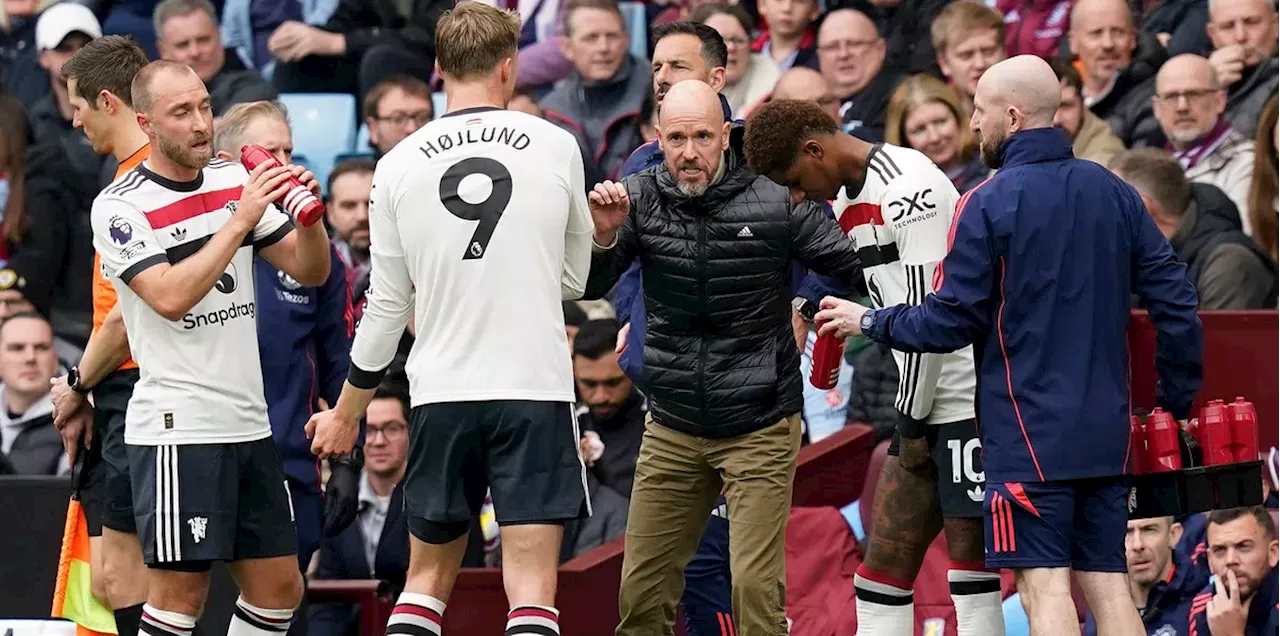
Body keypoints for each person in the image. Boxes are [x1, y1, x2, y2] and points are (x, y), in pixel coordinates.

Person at [804, 55, 1203, 636]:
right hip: (1106, 429)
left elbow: (948, 323)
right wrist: (1176, 397)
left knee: (1045, 591)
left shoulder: (984, 202)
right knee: (1110, 586)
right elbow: (1177, 304)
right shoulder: (1113, 190)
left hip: (1026, 436)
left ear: (1012, 117)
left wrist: (873, 323)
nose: (972, 124)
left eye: (980, 111)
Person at [304, 4, 594, 635]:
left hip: (441, 394)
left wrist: (349, 411)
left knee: (426, 581)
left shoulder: (397, 163)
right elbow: (573, 281)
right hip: (533, 392)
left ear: (437, 69)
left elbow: (385, 304)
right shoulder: (556, 144)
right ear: (510, 65)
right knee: (531, 589)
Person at [584, 79, 862, 636]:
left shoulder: (774, 192)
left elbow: (847, 260)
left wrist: (805, 306)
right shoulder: (636, 196)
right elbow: (588, 285)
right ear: (657, 139)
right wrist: (605, 238)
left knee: (755, 592)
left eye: (703, 137)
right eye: (677, 138)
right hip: (673, 421)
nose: (690, 152)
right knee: (640, 593)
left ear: (726, 135)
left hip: (759, 419)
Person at [88, 59, 331, 636]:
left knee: (281, 589)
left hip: (248, 422)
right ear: (145, 124)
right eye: (182, 113)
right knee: (180, 598)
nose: (201, 123)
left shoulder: (228, 179)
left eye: (204, 107)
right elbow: (169, 296)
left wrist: (310, 219)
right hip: (179, 427)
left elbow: (310, 270)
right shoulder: (120, 206)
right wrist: (241, 217)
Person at [743, 98, 1000, 636]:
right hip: (923, 406)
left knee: (972, 578)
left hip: (964, 404)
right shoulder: (845, 195)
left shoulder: (910, 188)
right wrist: (806, 305)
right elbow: (852, 274)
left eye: (793, 179)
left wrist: (907, 425)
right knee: (879, 578)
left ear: (815, 149)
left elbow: (927, 322)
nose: (796, 196)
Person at [211, 100, 363, 572]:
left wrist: (347, 462)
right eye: (267, 152)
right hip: (208, 457)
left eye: (289, 151)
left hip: (289, 464)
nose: (285, 165)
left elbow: (341, 362)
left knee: (282, 610)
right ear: (227, 163)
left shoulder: (321, 257)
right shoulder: (194, 239)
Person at [49, 35, 154, 636]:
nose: (73, 117)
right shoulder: (134, 179)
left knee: (126, 573)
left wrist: (77, 385)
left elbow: (124, 318)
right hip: (122, 385)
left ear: (108, 101)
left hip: (133, 386)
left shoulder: (133, 191)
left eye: (79, 104)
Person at [1083, 517, 1207, 636]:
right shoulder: (1103, 604)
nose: (1137, 545)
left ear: (1173, 535)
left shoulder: (1201, 595)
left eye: (1149, 530)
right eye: (1126, 532)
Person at [1188, 507, 1280, 635]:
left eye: (1243, 547)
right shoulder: (1203, 607)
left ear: (1273, 553)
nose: (1230, 560)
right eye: (1219, 550)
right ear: (1210, 561)